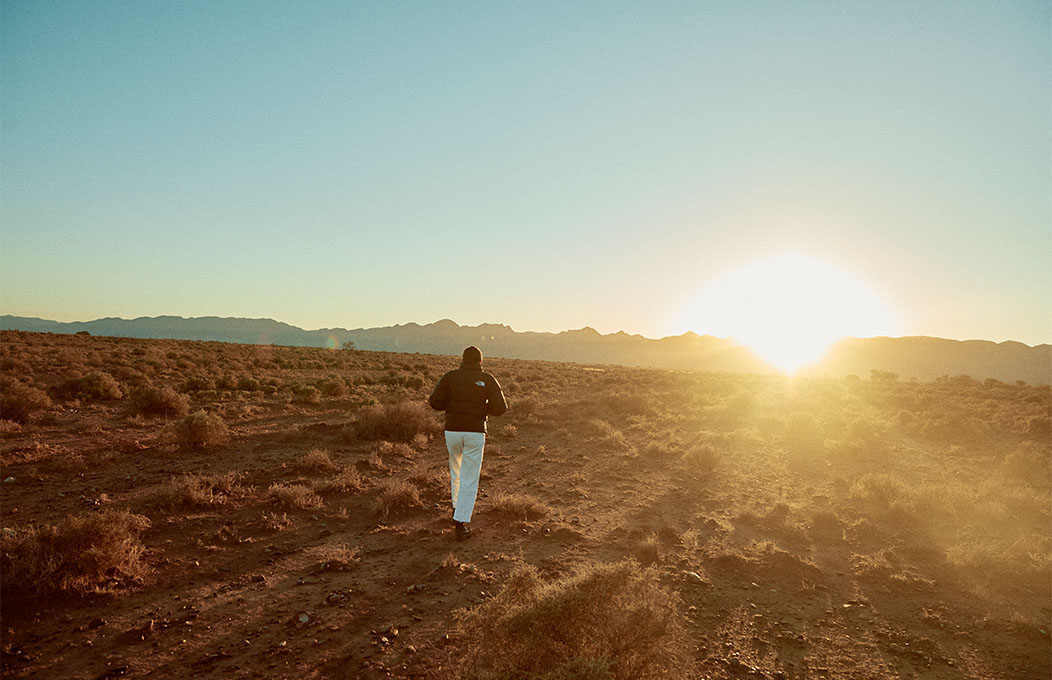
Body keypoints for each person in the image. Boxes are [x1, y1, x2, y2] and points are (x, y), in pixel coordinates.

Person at [428, 346, 508, 541]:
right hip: (475, 432)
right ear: (481, 361)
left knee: (456, 471)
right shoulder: (488, 379)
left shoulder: (450, 377)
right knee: (469, 477)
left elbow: (435, 402)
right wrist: (481, 409)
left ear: (462, 360)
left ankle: (457, 507)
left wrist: (454, 405)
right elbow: (501, 407)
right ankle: (460, 524)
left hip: (453, 431)